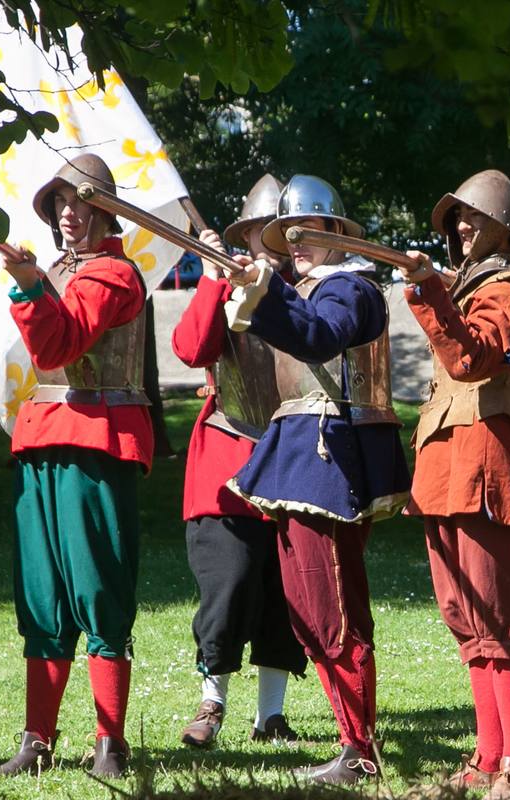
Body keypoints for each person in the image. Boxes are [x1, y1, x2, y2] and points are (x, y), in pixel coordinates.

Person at [222, 174, 410, 785]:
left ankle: (359, 750)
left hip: (331, 456)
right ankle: (351, 742)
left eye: (306, 232)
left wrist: (268, 292)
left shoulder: (352, 288)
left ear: (334, 231)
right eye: (288, 235)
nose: (295, 244)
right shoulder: (305, 288)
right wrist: (257, 290)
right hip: (298, 451)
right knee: (308, 612)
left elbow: (316, 335)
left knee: (334, 612)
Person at [0, 154, 152, 780]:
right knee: (42, 594)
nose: (67, 214)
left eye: (78, 203)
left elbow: (59, 344)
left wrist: (27, 285)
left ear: (106, 210)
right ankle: (38, 741)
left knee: (98, 589)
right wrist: (34, 279)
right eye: (58, 204)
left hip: (97, 439)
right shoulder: (59, 270)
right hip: (45, 437)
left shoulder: (114, 274)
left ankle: (111, 742)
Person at [400, 169, 510, 800]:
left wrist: (429, 290)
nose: (461, 226)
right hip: (443, 469)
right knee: (466, 619)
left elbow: (472, 357)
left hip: (486, 464)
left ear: (503, 229)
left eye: (474, 218)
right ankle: (488, 756)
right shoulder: (465, 286)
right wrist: (434, 288)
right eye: (456, 218)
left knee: (498, 619)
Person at [170, 174, 306, 749]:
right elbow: (190, 349)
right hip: (225, 461)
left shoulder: (308, 294)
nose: (266, 244)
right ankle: (212, 702)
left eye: (275, 234)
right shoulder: (223, 287)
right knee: (228, 585)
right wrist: (210, 284)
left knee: (285, 594)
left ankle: (270, 714)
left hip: (296, 456)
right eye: (256, 234)